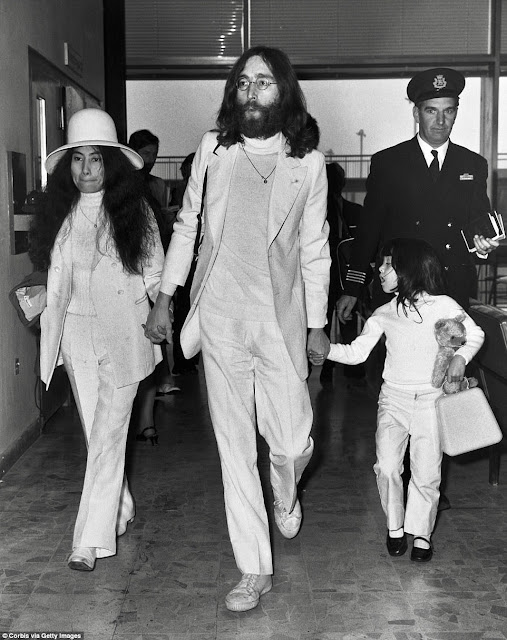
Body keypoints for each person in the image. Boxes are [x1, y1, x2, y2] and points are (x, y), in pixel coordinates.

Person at [145, 46, 330, 611]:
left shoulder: (309, 163)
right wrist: (165, 298)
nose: (252, 92)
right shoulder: (214, 148)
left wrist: (317, 325)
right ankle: (254, 569)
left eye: (264, 82)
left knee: (292, 442)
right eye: (243, 83)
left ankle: (286, 490)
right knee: (234, 446)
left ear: (284, 92)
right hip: (221, 315)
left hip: (280, 319)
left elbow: (315, 248)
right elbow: (188, 224)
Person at [29, 108, 165, 571]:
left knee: (108, 435)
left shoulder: (136, 212)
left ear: (112, 164)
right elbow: (55, 278)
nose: (86, 169)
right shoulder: (60, 216)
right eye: (77, 158)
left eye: (96, 159)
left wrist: (161, 312)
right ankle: (119, 506)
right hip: (76, 336)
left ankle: (88, 542)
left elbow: (155, 273)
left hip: (125, 333)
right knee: (98, 435)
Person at [310, 238, 484, 562]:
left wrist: (461, 358)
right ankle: (395, 526)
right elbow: (358, 352)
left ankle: (422, 534)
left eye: (388, 264)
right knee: (387, 466)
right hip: (393, 400)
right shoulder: (383, 313)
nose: (379, 269)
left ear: (409, 268)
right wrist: (327, 350)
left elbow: (474, 333)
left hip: (431, 401)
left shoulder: (443, 305)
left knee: (426, 470)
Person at [337, 67, 499, 322]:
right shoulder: (388, 163)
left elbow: (479, 223)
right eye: (431, 111)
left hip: (451, 289)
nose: (441, 121)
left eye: (448, 111)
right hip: (400, 289)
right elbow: (369, 229)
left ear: (456, 113)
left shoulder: (473, 164)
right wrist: (352, 287)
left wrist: (483, 247)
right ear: (416, 113)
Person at [128, 130, 180, 446]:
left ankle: (146, 419)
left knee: (149, 352)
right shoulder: (121, 185)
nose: (150, 160)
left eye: (154, 154)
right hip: (133, 279)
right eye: (146, 153)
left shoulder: (156, 187)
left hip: (151, 272)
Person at [320, 162, 364, 388]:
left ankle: (326, 367)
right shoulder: (355, 211)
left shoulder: (317, 211)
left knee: (323, 321)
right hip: (347, 276)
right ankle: (352, 368)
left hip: (324, 276)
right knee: (348, 322)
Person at [169, 153, 201, 376]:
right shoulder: (182, 189)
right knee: (184, 308)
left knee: (187, 308)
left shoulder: (189, 189)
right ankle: (184, 359)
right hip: (187, 258)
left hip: (194, 256)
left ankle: (187, 358)